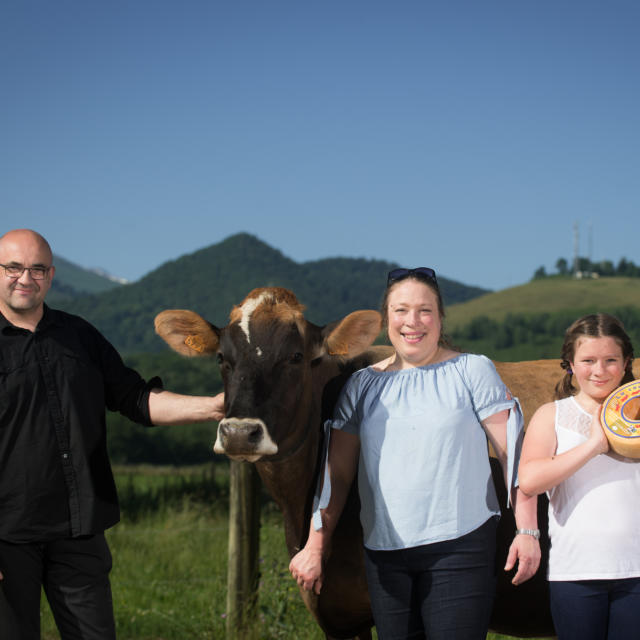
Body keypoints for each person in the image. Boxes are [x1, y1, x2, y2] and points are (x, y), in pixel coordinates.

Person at [289, 267, 540, 640]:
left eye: (425, 310)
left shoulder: (472, 371)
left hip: (461, 549)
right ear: (387, 318)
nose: (413, 322)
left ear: (440, 318)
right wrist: (316, 543)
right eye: (401, 310)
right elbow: (336, 474)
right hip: (384, 554)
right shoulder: (361, 386)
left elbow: (513, 456)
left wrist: (526, 529)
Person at [0, 229, 225, 640]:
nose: (25, 278)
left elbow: (135, 398)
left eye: (36, 269)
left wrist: (211, 405)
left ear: (50, 276)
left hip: (79, 529)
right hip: (7, 536)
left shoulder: (80, 336)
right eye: (13, 267)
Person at [518, 313, 640, 640]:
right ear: (570, 364)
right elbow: (529, 480)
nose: (599, 371)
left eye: (610, 360)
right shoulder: (552, 415)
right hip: (576, 572)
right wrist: (595, 445)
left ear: (627, 362)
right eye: (588, 360)